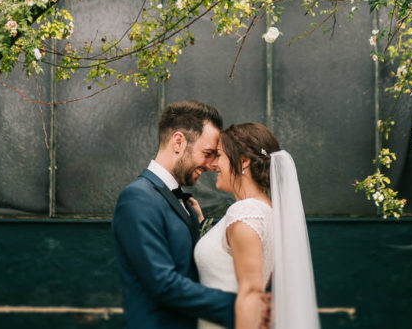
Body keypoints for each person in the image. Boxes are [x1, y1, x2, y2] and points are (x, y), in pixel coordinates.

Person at [112, 100, 236, 328]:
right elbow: (163, 284)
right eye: (208, 153)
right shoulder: (138, 198)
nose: (211, 165)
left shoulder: (185, 203)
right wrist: (238, 306)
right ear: (178, 141)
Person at [192, 122, 320, 329]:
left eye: (219, 156)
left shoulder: (245, 213)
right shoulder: (266, 213)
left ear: (243, 162)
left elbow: (251, 293)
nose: (213, 165)